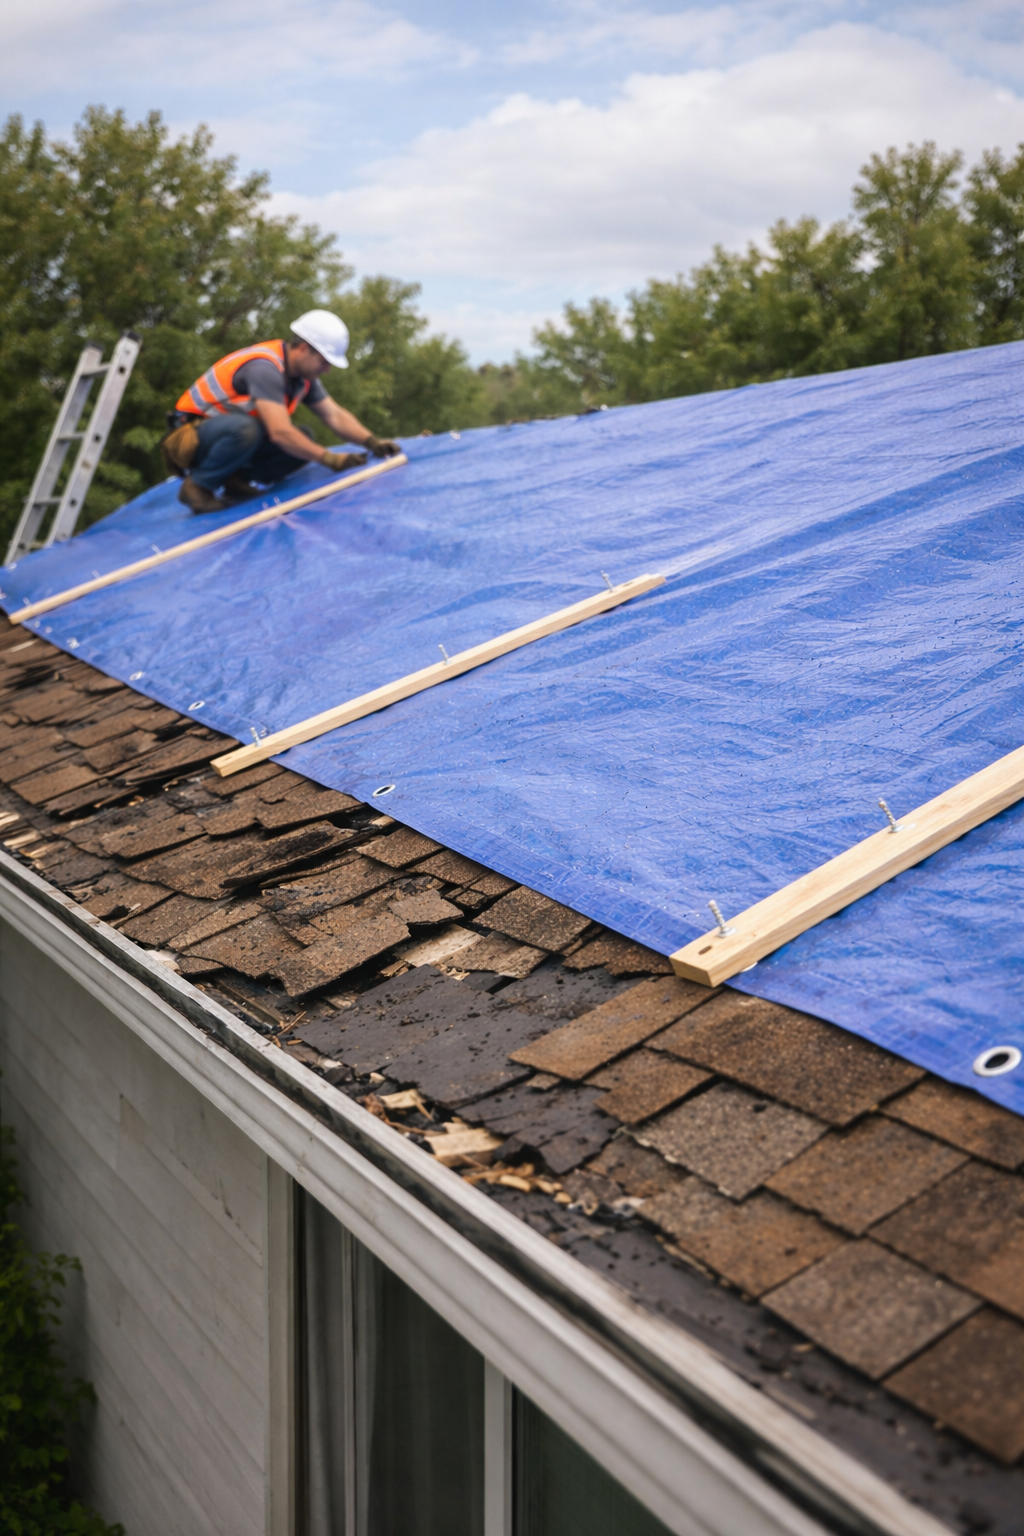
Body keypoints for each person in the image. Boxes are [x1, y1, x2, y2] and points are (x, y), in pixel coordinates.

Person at [162, 310, 400, 513]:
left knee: (303, 440)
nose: (326, 370)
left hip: (230, 440)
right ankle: (198, 486)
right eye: (324, 361)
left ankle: (237, 480)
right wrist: (330, 459)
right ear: (305, 349)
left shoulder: (302, 378)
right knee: (253, 430)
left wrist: (371, 441)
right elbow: (280, 433)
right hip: (191, 439)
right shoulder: (265, 368)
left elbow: (334, 415)